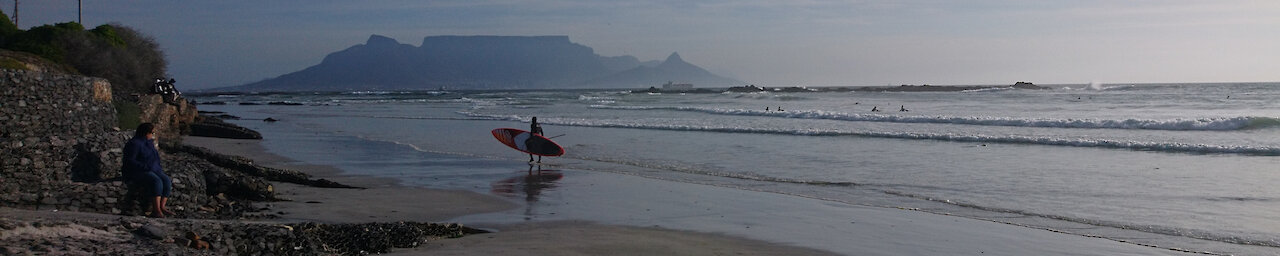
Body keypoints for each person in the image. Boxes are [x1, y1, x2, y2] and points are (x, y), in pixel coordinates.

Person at [121, 123, 174, 218]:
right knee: (156, 181)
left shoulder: (149, 143)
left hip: (152, 169)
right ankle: (156, 210)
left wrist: (157, 168)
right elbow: (130, 160)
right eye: (152, 133)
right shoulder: (134, 144)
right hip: (136, 171)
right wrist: (145, 167)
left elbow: (154, 158)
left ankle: (162, 207)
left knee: (166, 180)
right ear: (146, 133)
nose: (153, 135)